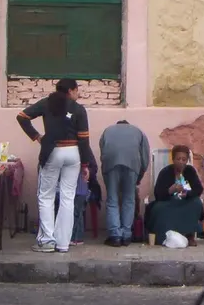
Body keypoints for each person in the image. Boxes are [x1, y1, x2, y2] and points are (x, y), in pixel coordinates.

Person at [17, 78, 92, 254]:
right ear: (71, 91)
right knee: (68, 198)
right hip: (73, 153)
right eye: (77, 90)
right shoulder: (79, 109)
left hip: (52, 151)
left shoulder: (46, 103)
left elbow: (21, 117)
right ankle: (63, 243)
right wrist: (85, 164)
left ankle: (47, 241)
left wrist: (36, 136)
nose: (77, 94)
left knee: (46, 196)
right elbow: (84, 139)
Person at [99, 119, 150, 247]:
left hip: (111, 165)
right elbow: (145, 157)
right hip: (132, 165)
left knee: (112, 199)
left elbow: (103, 152)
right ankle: (126, 235)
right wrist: (139, 176)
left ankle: (115, 236)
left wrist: (106, 172)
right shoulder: (138, 132)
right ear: (128, 125)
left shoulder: (107, 130)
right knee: (129, 199)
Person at [147, 145, 204, 247]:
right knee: (158, 209)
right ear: (173, 159)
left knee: (196, 203)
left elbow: (198, 189)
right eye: (178, 159)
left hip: (185, 201)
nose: (181, 162)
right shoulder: (165, 172)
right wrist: (170, 190)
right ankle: (164, 236)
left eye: (184, 159)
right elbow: (157, 194)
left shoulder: (190, 171)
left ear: (187, 160)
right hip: (168, 202)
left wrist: (187, 193)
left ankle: (189, 235)